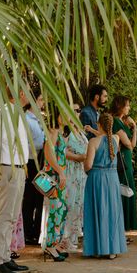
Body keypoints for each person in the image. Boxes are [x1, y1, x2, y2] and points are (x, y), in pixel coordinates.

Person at [0, 87, 31, 273]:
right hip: (6, 167)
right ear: (20, 93)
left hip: (18, 168)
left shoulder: (18, 114)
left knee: (12, 216)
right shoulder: (4, 113)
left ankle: (4, 256)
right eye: (27, 91)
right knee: (4, 215)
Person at [83, 113, 127, 258]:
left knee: (98, 210)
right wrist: (94, 130)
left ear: (98, 124)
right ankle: (112, 250)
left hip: (97, 177)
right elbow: (106, 137)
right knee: (112, 211)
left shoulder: (93, 142)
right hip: (112, 178)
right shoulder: (116, 139)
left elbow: (88, 165)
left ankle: (97, 248)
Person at [40, 105, 69, 262]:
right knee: (54, 210)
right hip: (52, 176)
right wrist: (59, 171)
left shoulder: (59, 133)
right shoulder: (52, 131)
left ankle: (56, 243)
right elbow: (48, 152)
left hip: (59, 176)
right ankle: (50, 246)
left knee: (62, 209)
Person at [63, 104, 88, 252]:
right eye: (73, 110)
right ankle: (65, 239)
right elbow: (60, 150)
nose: (76, 113)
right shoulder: (65, 131)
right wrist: (77, 157)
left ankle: (73, 237)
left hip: (80, 172)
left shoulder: (79, 130)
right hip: (70, 170)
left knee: (78, 204)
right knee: (69, 203)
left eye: (78, 110)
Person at [21, 91, 45, 248]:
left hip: (40, 161)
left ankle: (37, 231)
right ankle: (28, 233)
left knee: (40, 197)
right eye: (41, 99)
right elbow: (28, 143)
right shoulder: (26, 120)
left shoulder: (38, 119)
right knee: (29, 198)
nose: (43, 102)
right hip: (30, 161)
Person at [112, 95, 137, 232]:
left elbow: (132, 145)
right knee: (124, 189)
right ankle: (122, 226)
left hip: (127, 159)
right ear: (120, 106)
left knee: (129, 189)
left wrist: (135, 129)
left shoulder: (122, 122)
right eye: (127, 105)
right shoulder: (116, 122)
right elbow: (128, 144)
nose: (129, 108)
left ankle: (126, 226)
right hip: (121, 161)